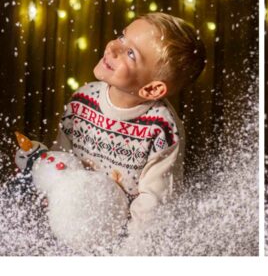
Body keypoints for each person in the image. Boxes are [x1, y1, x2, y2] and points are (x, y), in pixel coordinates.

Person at [16, 12, 206, 235]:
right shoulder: (83, 100)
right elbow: (64, 157)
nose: (113, 47)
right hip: (71, 219)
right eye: (122, 36)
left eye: (131, 53)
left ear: (152, 89)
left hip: (120, 233)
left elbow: (154, 207)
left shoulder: (162, 129)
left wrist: (127, 249)